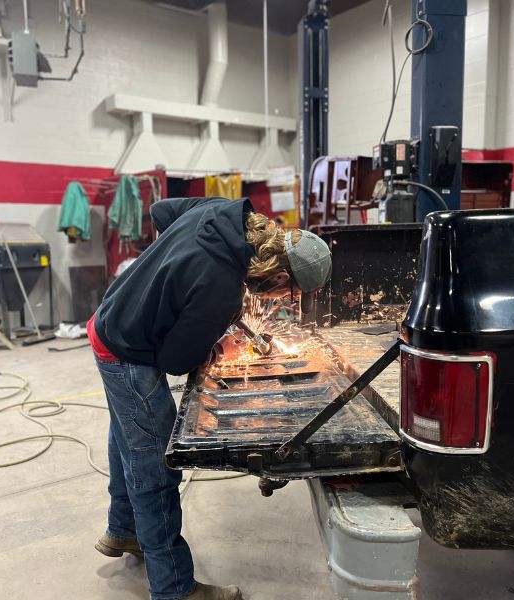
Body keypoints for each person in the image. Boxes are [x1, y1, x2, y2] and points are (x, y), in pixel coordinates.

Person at [87, 196, 332, 600]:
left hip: (110, 318)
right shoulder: (221, 289)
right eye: (289, 293)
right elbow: (175, 361)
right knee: (154, 469)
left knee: (127, 434)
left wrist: (174, 279)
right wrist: (214, 334)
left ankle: (124, 531)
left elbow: (161, 212)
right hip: (127, 350)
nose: (285, 302)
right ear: (277, 273)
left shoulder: (224, 211)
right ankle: (174, 590)